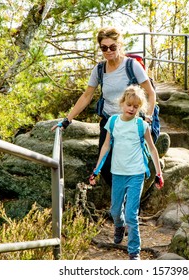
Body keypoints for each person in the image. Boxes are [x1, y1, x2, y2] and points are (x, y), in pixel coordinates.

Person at [51, 27, 157, 188]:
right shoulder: (99, 69)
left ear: (119, 45)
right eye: (104, 47)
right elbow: (86, 96)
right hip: (110, 123)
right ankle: (120, 201)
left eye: (113, 47)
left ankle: (130, 205)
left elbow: (150, 93)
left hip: (131, 122)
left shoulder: (132, 65)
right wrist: (67, 120)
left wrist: (148, 118)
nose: (108, 51)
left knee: (132, 166)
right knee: (106, 167)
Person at [89, 85, 164, 260]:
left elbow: (152, 150)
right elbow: (106, 146)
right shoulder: (113, 122)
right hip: (118, 173)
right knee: (115, 210)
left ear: (140, 108)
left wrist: (159, 173)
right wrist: (97, 169)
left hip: (136, 174)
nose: (132, 109)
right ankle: (119, 225)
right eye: (129, 105)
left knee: (131, 213)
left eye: (136, 106)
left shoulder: (141, 125)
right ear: (122, 103)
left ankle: (134, 251)